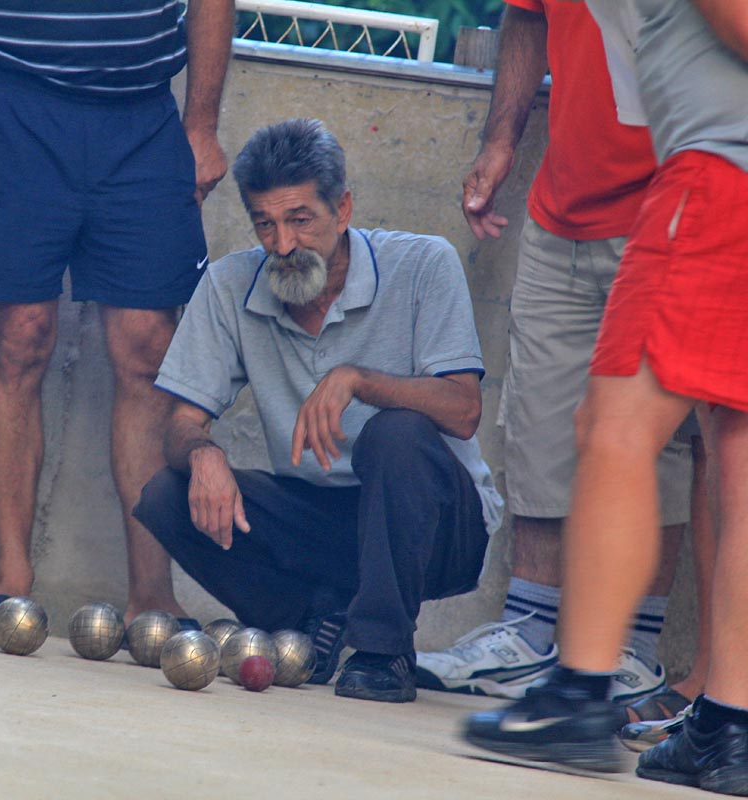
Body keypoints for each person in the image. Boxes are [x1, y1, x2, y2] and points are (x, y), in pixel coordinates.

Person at [464, 2, 748, 789]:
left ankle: (577, 696)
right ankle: (730, 726)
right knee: (738, 452)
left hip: (720, 181)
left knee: (614, 429)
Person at [132, 119, 504, 703]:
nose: (282, 245)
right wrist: (202, 452)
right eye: (265, 224)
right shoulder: (231, 284)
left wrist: (357, 380)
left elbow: (463, 410)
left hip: (434, 525)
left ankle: (383, 653)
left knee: (398, 433)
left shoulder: (425, 264)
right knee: (165, 494)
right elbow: (180, 420)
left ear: (344, 208)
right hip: (324, 521)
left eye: (300, 220)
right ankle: (311, 624)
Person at [415, 0, 696, 711]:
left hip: (670, 210)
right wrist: (500, 139)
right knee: (537, 418)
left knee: (652, 440)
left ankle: (633, 651)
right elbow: (526, 17)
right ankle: (530, 631)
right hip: (560, 207)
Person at [0, 0, 234, 633]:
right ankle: (10, 582)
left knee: (149, 347)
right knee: (21, 335)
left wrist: (202, 123)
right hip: (13, 102)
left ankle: (152, 596)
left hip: (143, 112)